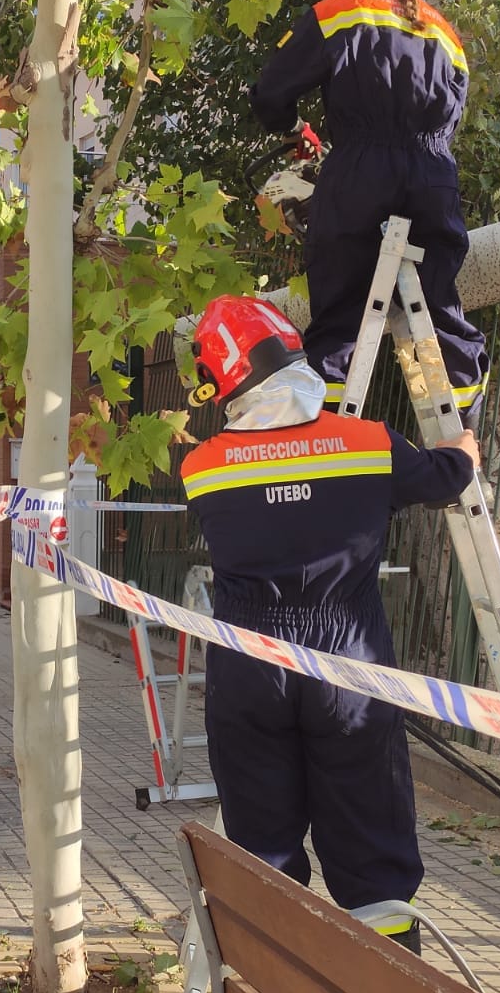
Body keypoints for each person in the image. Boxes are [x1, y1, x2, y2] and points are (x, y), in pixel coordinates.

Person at [180, 294, 479, 954]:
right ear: (291, 351)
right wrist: (465, 448)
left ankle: (274, 985)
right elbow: (444, 479)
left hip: (248, 659)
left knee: (261, 838)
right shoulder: (369, 445)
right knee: (370, 839)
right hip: (348, 659)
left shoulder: (201, 469)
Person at [249, 0, 489, 431]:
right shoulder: (448, 37)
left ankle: (326, 431)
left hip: (359, 176)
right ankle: (459, 435)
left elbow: (271, 94)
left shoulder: (339, 12)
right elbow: (449, 119)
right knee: (438, 318)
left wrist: (295, 130)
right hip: (434, 179)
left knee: (340, 315)